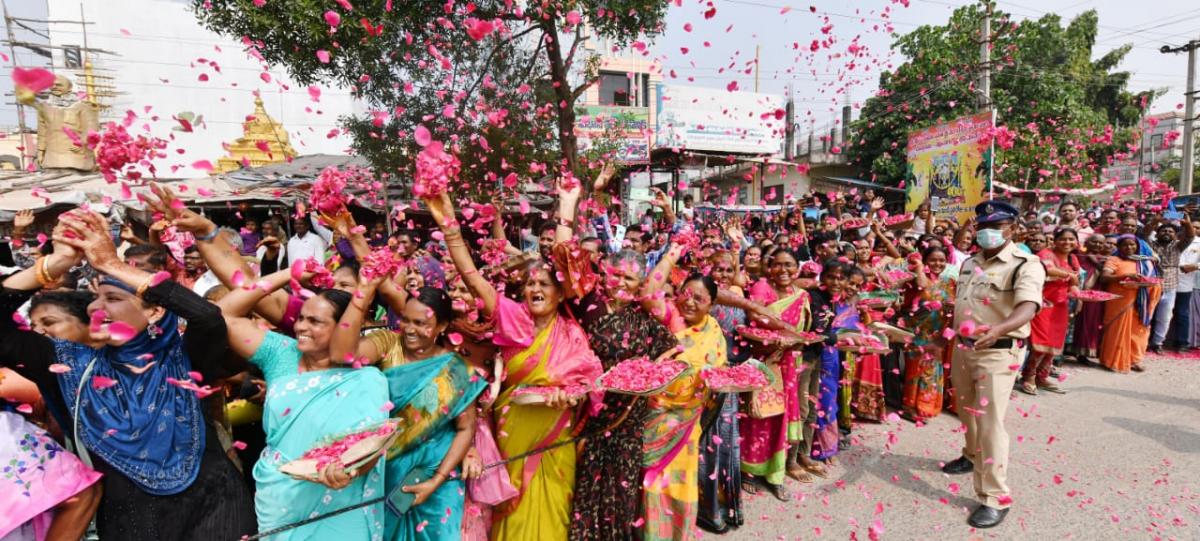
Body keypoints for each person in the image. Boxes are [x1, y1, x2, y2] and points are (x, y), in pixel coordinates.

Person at [0, 209, 256, 540]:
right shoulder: (67, 363)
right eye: (95, 299)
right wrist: (57, 262)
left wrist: (111, 264)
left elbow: (207, 318)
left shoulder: (184, 358)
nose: (96, 308)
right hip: (130, 525)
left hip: (216, 515)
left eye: (113, 298)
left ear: (154, 310)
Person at [423, 192, 601, 541]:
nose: (535, 288)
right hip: (514, 432)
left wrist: (570, 397)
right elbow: (472, 277)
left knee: (554, 508)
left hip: (556, 437)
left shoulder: (572, 332)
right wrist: (449, 226)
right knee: (514, 509)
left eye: (544, 284)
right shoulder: (512, 318)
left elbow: (587, 386)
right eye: (530, 284)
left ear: (560, 293)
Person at [218, 266, 390, 540]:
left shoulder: (367, 379)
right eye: (300, 318)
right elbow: (223, 312)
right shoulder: (280, 354)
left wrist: (352, 471)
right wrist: (289, 273)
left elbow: (371, 441)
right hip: (281, 498)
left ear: (343, 328)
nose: (301, 327)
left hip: (341, 498)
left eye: (315, 322)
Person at [332, 282, 487, 541]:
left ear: (442, 327)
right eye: (406, 320)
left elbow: (465, 427)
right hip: (386, 470)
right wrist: (366, 288)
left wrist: (435, 481)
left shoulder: (456, 369)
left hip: (436, 477)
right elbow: (344, 354)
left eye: (421, 323)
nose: (410, 329)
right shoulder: (388, 343)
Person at [941, 200, 1045, 529]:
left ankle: (994, 497)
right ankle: (971, 455)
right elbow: (961, 304)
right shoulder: (970, 262)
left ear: (1012, 229)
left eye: (996, 227)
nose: (987, 233)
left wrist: (998, 329)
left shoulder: (1024, 264)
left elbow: (1028, 307)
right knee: (966, 409)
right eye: (983, 227)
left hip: (998, 352)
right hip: (963, 349)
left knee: (990, 423)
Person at [1022, 228, 1080, 395]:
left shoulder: (1072, 258)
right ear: (1055, 240)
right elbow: (1048, 269)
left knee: (1055, 343)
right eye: (1063, 239)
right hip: (1044, 303)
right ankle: (1029, 376)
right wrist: (1070, 276)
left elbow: (1074, 283)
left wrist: (1079, 294)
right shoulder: (1046, 253)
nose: (1067, 242)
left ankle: (1042, 375)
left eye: (1071, 239)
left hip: (1061, 305)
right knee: (1041, 343)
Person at [901, 246, 955, 421]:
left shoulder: (949, 283)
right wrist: (918, 266)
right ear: (925, 261)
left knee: (932, 371)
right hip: (917, 332)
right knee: (915, 371)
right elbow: (922, 285)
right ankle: (909, 407)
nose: (937, 264)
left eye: (941, 260)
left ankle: (926, 405)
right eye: (932, 260)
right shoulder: (916, 279)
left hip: (936, 334)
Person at [1099, 235, 1162, 373]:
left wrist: (1152, 284)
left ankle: (1135, 359)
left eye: (1132, 245)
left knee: (1139, 330)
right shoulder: (1114, 259)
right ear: (1119, 247)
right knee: (1117, 330)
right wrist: (1124, 277)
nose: (1129, 248)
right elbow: (1104, 277)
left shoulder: (1145, 262)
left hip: (1141, 301)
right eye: (1125, 245)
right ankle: (1112, 360)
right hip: (1119, 301)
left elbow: (1153, 280)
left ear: (1138, 246)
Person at [1148, 221, 1195, 353]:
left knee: (1164, 316)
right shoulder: (1151, 244)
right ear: (1157, 234)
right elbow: (1145, 234)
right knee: (1147, 314)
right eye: (1163, 231)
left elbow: (1190, 236)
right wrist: (1156, 219)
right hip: (1151, 285)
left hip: (1170, 286)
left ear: (1175, 235)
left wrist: (1187, 223)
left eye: (1170, 231)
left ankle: (1157, 343)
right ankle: (1144, 341)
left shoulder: (1178, 246)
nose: (1167, 233)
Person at [1071, 234, 1110, 363]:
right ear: (1086, 243)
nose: (1097, 245)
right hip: (1076, 292)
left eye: (1100, 243)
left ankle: (1083, 352)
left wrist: (1097, 264)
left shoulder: (1107, 260)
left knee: (1090, 322)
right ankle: (1068, 349)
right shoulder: (1078, 257)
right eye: (1094, 242)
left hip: (1095, 294)